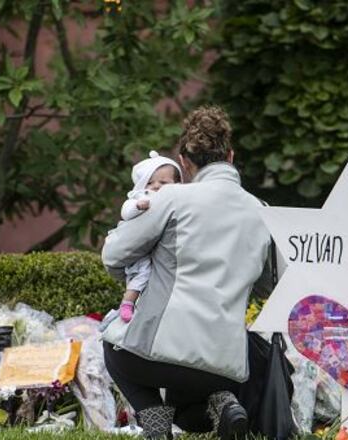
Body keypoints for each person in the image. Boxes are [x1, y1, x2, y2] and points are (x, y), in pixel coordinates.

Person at [101, 106, 273, 440]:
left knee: (113, 348)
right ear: (231, 156)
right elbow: (268, 286)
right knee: (193, 412)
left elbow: (114, 254)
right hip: (227, 366)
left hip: (157, 355)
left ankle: (156, 429)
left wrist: (141, 281)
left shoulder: (172, 199)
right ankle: (224, 404)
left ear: (184, 162)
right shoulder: (261, 211)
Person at [116, 151, 182, 323]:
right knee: (142, 274)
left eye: (163, 182)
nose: (156, 186)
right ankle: (127, 302)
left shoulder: (177, 201)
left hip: (161, 255)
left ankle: (136, 306)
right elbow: (125, 211)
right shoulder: (142, 197)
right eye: (150, 182)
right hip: (141, 252)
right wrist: (138, 206)